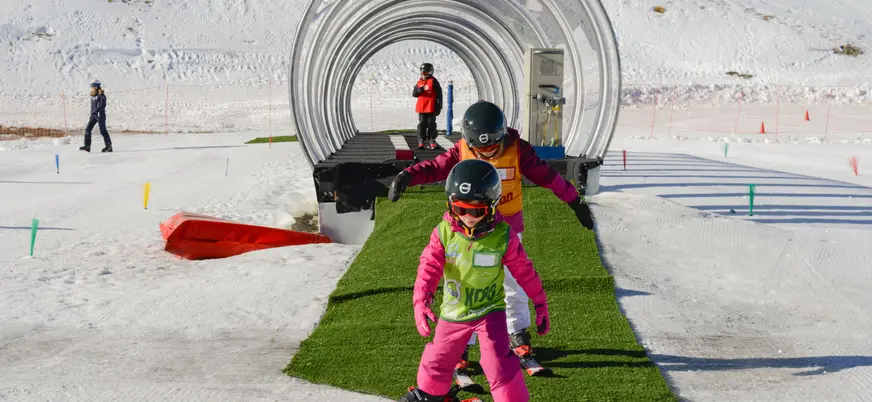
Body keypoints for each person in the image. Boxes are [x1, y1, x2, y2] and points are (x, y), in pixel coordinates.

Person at [388, 100, 592, 373]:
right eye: (480, 150)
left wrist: (574, 200)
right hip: (469, 231)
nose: (487, 153)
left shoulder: (517, 150)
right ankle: (463, 341)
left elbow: (547, 176)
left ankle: (517, 332)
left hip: (506, 231)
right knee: (463, 283)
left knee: (514, 283)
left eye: (492, 148)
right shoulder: (461, 150)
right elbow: (435, 168)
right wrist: (406, 176)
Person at [398, 159, 550, 402]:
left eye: (477, 211)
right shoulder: (444, 232)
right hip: (454, 311)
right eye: (461, 209)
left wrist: (540, 302)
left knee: (497, 362)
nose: (469, 217)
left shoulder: (503, 236)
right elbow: (429, 267)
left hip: (489, 310)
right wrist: (421, 301)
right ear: (450, 205)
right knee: (437, 361)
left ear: (492, 206)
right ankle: (432, 396)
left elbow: (524, 271)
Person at [412, 63, 443, 149]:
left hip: (431, 107)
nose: (423, 75)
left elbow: (439, 94)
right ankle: (421, 139)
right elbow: (414, 94)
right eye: (422, 73)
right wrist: (421, 89)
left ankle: (431, 139)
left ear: (430, 73)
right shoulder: (419, 82)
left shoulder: (433, 81)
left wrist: (439, 106)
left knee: (431, 123)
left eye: (425, 73)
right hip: (422, 107)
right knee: (422, 123)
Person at [79, 80, 113, 153]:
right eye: (91, 86)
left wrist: (97, 111)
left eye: (93, 86)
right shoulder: (93, 94)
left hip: (100, 115)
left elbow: (103, 105)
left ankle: (109, 146)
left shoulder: (101, 95)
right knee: (88, 130)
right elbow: (93, 106)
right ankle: (87, 146)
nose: (92, 88)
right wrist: (92, 113)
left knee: (103, 131)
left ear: (97, 86)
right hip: (93, 115)